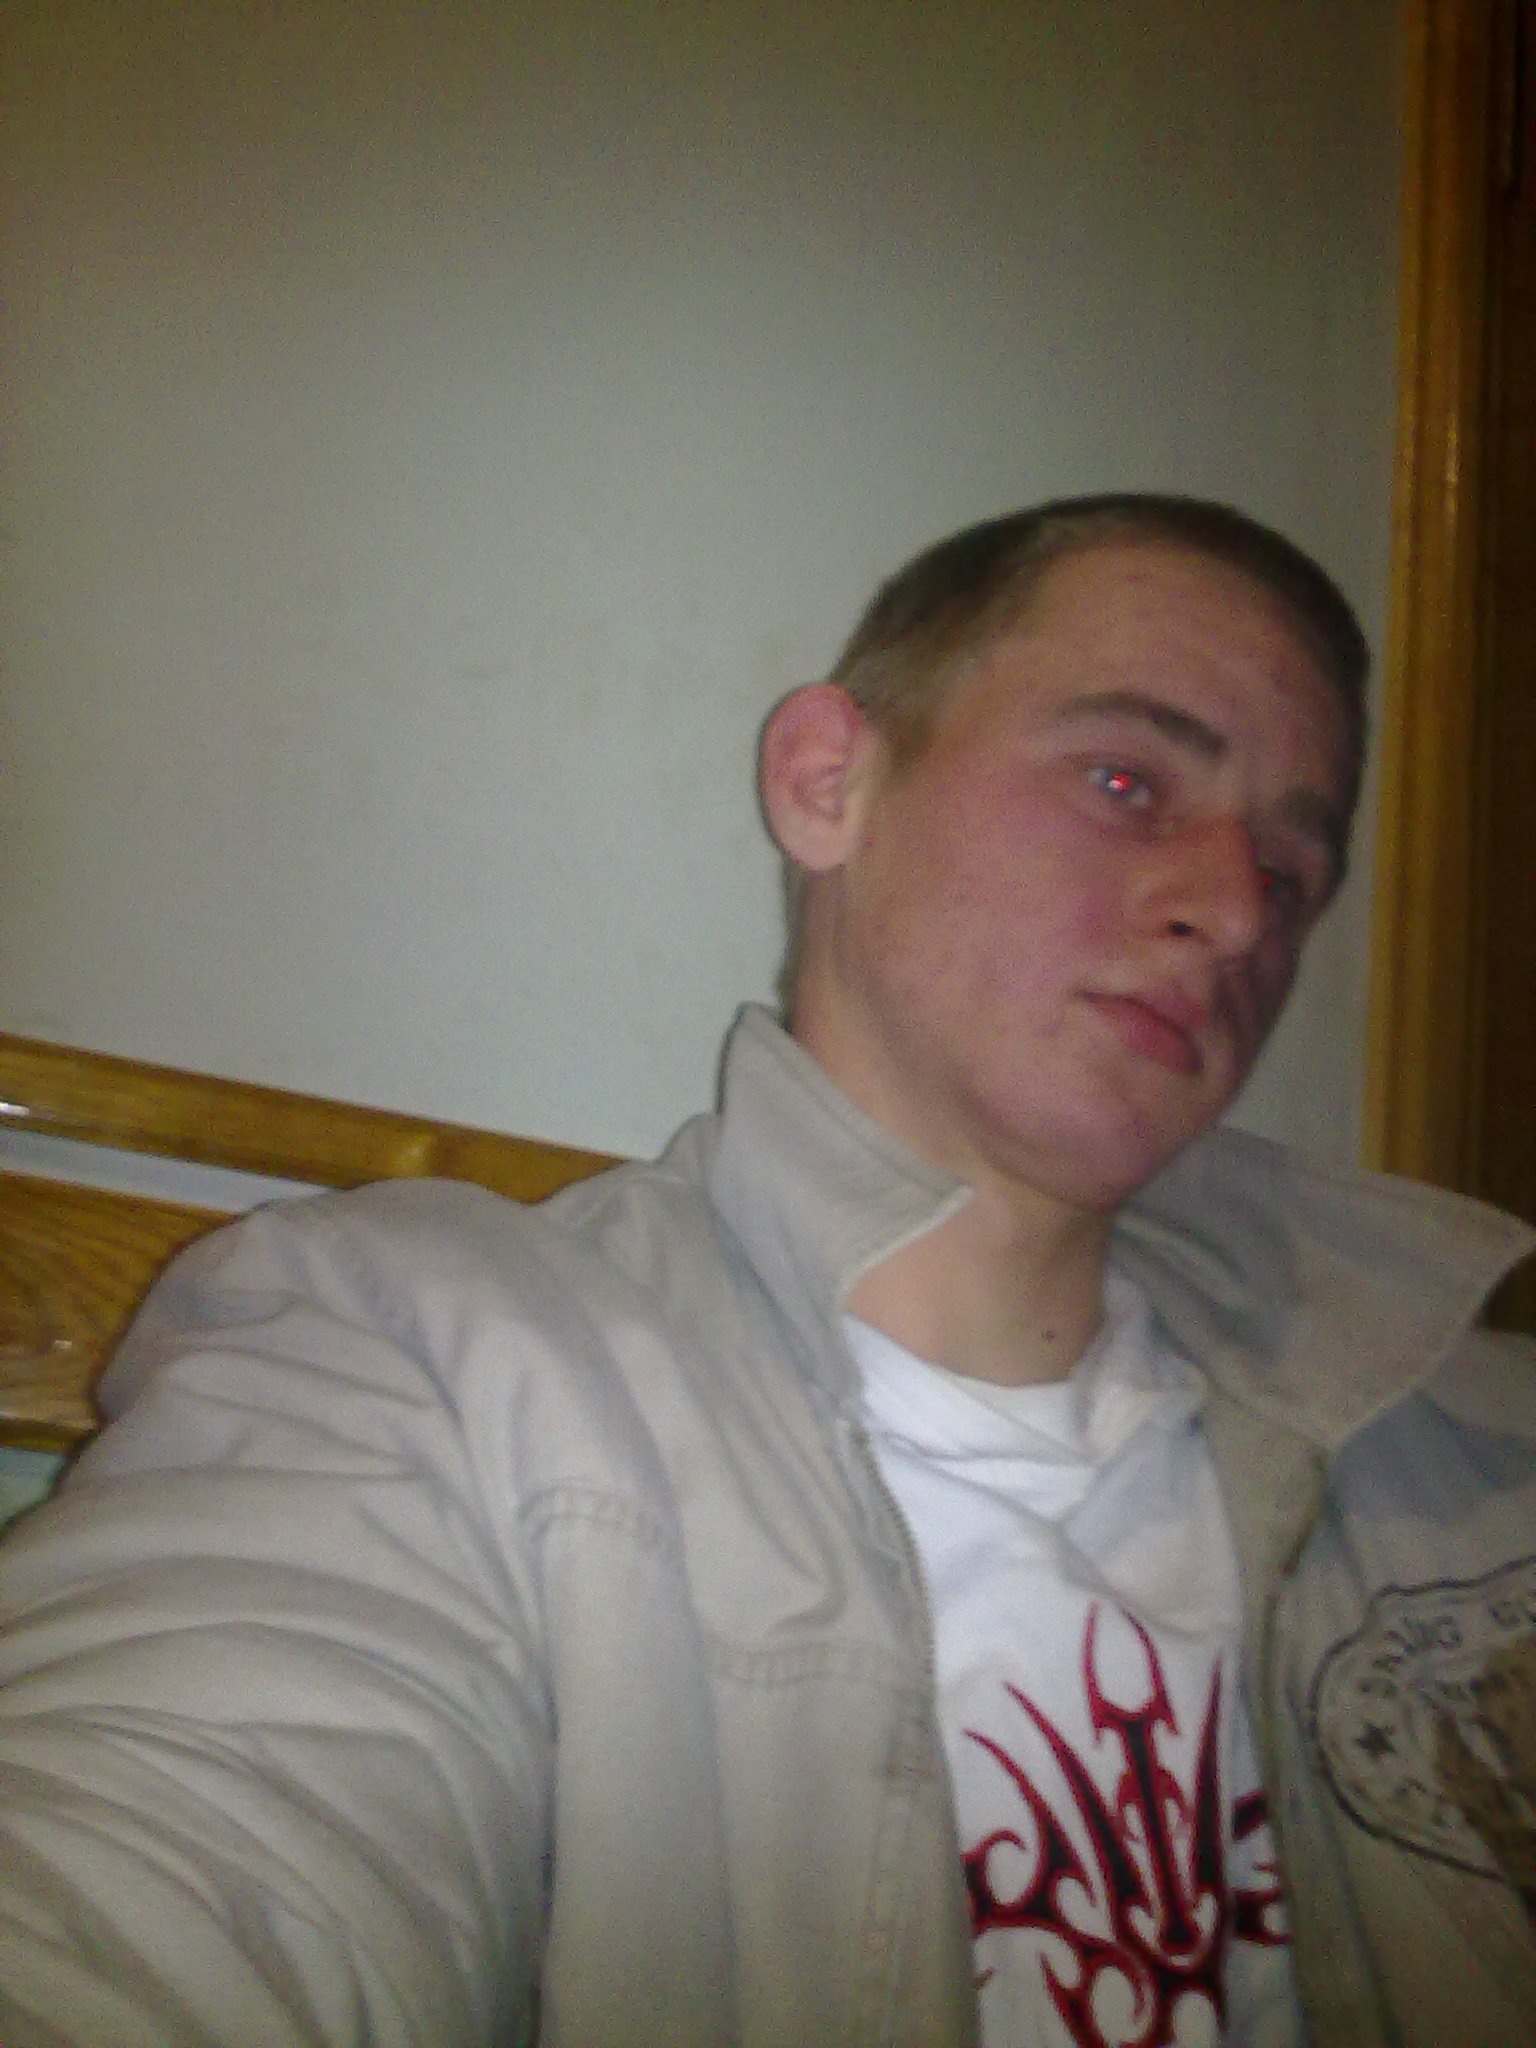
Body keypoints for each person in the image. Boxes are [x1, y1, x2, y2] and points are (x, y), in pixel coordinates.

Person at [1, 495, 1533, 2048]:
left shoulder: (1478, 1462)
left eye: (1292, 868)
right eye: (1127, 781)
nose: (1236, 911)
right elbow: (165, 1874)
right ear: (826, 782)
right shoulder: (415, 1354)